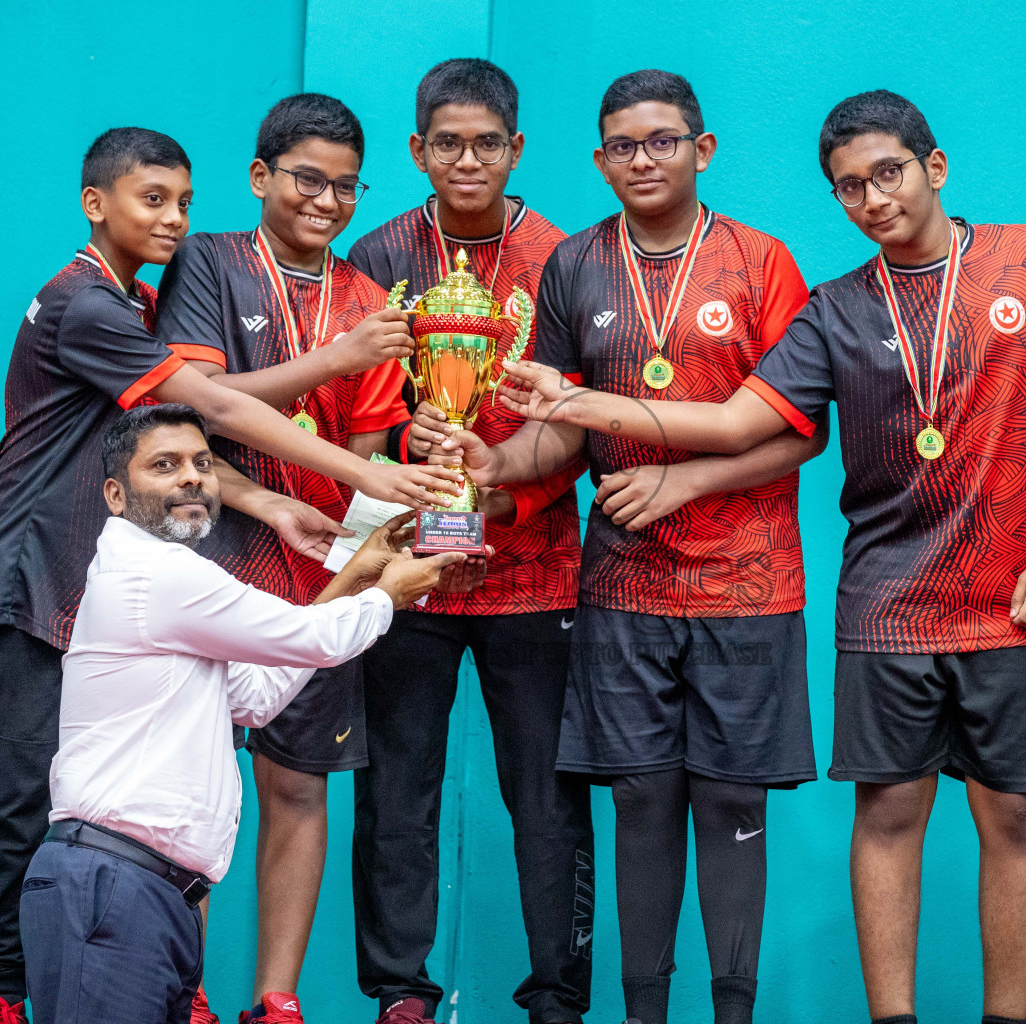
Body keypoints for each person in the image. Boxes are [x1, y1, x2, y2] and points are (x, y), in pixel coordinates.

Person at [489, 88, 1026, 1024]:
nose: (872, 199)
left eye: (888, 174)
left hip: (1015, 597)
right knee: (889, 813)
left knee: (1016, 815)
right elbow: (737, 419)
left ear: (934, 168)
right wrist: (578, 406)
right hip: (884, 605)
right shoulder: (834, 309)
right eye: (848, 187)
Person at [0, 127, 447, 1024]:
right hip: (30, 573)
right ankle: (1, 995)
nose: (175, 219)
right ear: (94, 203)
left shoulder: (131, 296)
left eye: (184, 202)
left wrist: (273, 506)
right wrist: (364, 474)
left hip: (81, 582)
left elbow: (186, 434)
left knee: (135, 787)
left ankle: (203, 992)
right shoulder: (88, 305)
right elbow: (208, 406)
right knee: (25, 795)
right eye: (153, 200)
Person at [420, 69, 826, 1024]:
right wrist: (494, 463)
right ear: (599, 160)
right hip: (625, 589)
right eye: (623, 146)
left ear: (702, 149)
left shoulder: (761, 263)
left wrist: (685, 481)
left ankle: (733, 1015)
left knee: (732, 806)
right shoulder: (575, 266)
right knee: (640, 802)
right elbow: (559, 428)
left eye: (663, 141)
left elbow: (800, 426)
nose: (643, 160)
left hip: (748, 587)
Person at [152, 93, 464, 1024]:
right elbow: (198, 403)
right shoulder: (206, 261)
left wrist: (414, 484)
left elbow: (366, 458)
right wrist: (336, 360)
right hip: (205, 556)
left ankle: (275, 1001)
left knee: (298, 785)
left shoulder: (373, 304)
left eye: (344, 187)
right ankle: (184, 991)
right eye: (306, 180)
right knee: (190, 784)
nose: (326, 202)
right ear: (260, 178)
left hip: (312, 571)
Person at [19, 403, 464, 1024]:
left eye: (202, 463)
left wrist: (360, 573)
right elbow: (318, 640)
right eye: (165, 466)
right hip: (113, 891)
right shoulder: (158, 575)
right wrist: (389, 593)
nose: (192, 478)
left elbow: (257, 695)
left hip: (149, 894)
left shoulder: (169, 582)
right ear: (116, 495)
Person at [345, 59, 593, 1024]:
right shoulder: (376, 253)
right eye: (446, 143)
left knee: (547, 803)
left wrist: (503, 501)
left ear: (517, 149)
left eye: (487, 143)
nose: (467, 160)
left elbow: (580, 424)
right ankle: (401, 995)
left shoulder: (564, 259)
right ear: (416, 150)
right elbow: (358, 407)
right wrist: (409, 463)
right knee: (395, 792)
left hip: (535, 576)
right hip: (406, 570)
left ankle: (556, 1000)